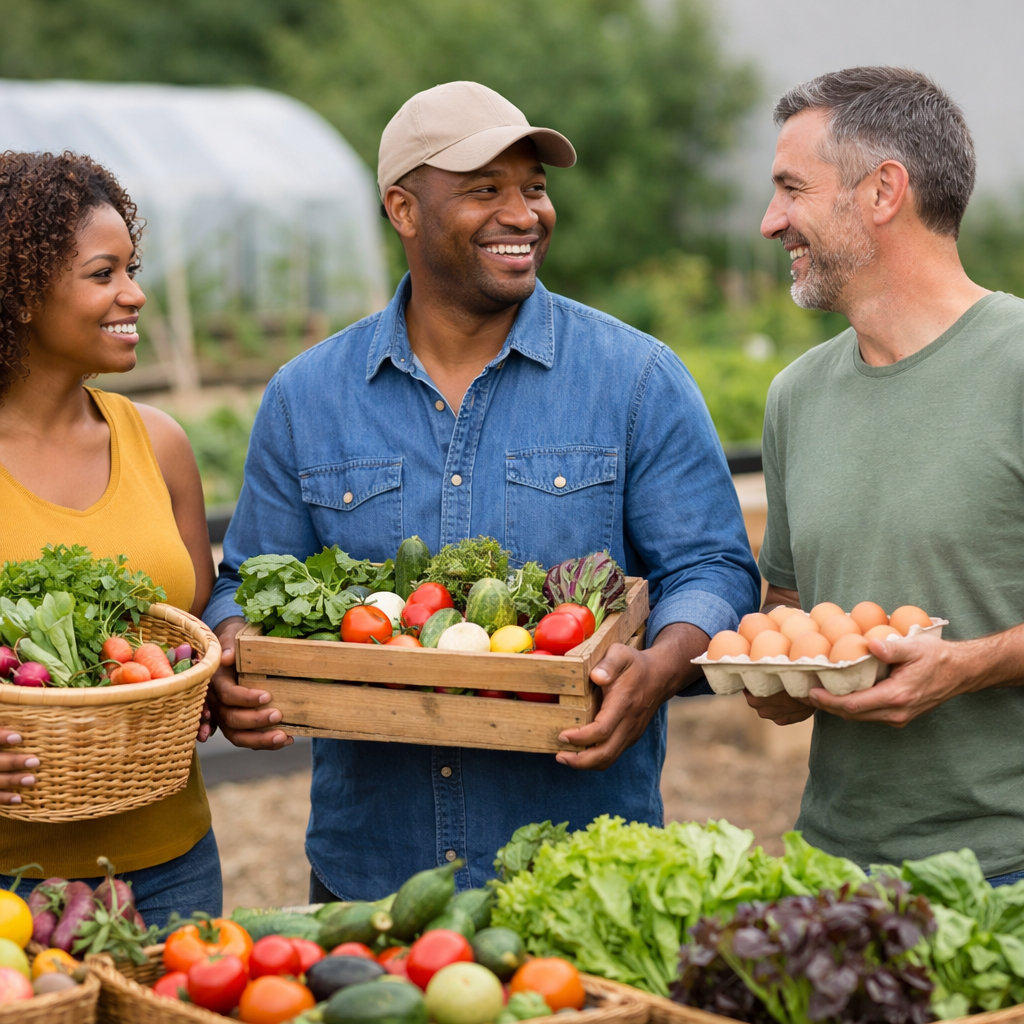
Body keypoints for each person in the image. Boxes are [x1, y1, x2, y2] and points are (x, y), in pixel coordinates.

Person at [204, 80, 760, 902]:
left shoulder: (635, 377)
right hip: (371, 876)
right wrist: (237, 661)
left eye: (534, 188)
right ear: (403, 209)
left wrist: (662, 664)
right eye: (484, 190)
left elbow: (712, 566)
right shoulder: (307, 396)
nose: (524, 212)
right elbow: (244, 581)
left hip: (581, 872)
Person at [752, 66, 1024, 883]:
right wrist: (771, 675)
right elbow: (790, 615)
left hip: (1007, 867)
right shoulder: (796, 394)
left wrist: (970, 665)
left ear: (882, 191)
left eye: (792, 189)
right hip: (833, 866)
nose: (772, 223)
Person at [0, 150, 222, 924]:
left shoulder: (158, 443)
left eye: (132, 268)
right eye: (104, 274)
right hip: (8, 882)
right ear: (22, 293)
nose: (135, 293)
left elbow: (196, 625)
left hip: (172, 860)